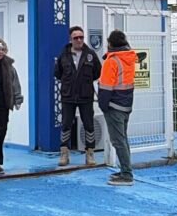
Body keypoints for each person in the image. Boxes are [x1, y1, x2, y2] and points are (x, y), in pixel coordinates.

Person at [54, 25, 102, 166]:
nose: (79, 40)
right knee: (66, 125)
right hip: (68, 96)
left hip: (85, 96)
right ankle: (64, 154)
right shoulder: (64, 55)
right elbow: (57, 73)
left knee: (88, 125)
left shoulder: (90, 55)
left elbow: (97, 72)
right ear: (71, 39)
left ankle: (90, 154)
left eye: (81, 37)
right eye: (76, 38)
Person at [98, 30, 136, 186]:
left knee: (118, 141)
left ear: (110, 44)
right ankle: (125, 170)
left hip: (114, 106)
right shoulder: (129, 59)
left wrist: (103, 106)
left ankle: (127, 175)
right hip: (126, 105)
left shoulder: (112, 61)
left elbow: (106, 87)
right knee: (123, 139)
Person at [0, 39, 22, 174]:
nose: (0, 52)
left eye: (3, 49)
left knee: (2, 132)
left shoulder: (8, 66)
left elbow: (15, 83)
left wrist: (18, 99)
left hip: (4, 103)